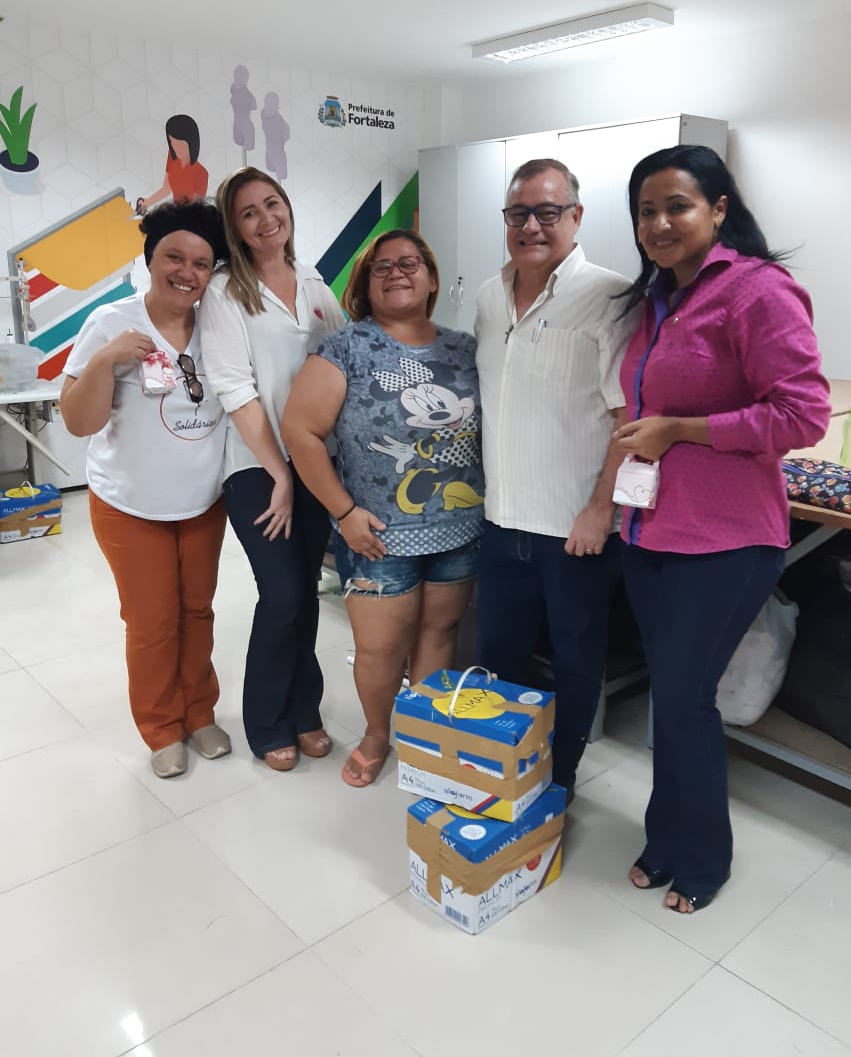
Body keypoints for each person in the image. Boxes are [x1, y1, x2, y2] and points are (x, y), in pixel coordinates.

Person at [613, 144, 831, 913]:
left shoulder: (758, 291)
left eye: (677, 205)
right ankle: (665, 838)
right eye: (646, 211)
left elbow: (802, 414)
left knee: (684, 700)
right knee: (671, 698)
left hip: (727, 541)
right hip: (650, 533)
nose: (659, 223)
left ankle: (702, 859)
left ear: (719, 208)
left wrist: (681, 429)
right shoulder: (656, 298)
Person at [282, 229, 483, 788]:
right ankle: (376, 735)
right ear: (366, 285)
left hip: (459, 528)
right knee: (379, 649)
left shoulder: (464, 348)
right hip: (376, 535)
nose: (397, 273)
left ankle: (424, 735)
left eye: (410, 263)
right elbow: (300, 431)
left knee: (439, 633)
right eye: (382, 267)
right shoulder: (346, 347)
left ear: (432, 278)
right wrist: (344, 512)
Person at [474, 158, 634, 803]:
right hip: (500, 520)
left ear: (576, 216)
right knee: (498, 658)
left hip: (574, 530)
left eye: (547, 212)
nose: (532, 226)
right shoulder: (489, 294)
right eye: (519, 213)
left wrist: (601, 508)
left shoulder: (611, 296)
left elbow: (628, 416)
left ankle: (558, 781)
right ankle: (499, 774)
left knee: (574, 661)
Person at [60, 200, 230, 779]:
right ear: (150, 259)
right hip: (129, 504)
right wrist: (106, 360)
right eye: (173, 258)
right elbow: (78, 422)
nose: (187, 272)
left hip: (202, 501)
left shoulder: (218, 323)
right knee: (153, 620)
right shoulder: (111, 322)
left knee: (197, 611)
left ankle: (199, 713)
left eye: (201, 263)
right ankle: (161, 727)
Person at [198, 167, 344, 772]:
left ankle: (305, 709)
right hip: (256, 467)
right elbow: (235, 389)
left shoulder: (313, 280)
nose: (265, 219)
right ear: (234, 227)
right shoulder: (225, 291)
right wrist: (280, 473)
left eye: (272, 203)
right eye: (248, 212)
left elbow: (344, 358)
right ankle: (266, 720)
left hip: (315, 461)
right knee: (282, 592)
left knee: (305, 591)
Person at [136, 114, 208, 213]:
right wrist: (146, 203)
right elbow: (166, 189)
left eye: (179, 143)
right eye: (172, 142)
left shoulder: (201, 173)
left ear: (191, 142)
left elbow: (195, 210)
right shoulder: (172, 157)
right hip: (174, 214)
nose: (175, 147)